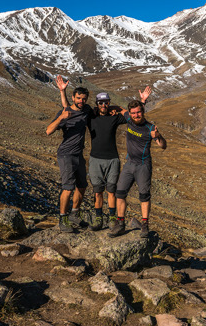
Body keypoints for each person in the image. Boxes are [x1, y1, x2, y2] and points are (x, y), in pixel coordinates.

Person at [55, 76, 151, 231]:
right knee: (98, 192)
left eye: (106, 102)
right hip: (95, 160)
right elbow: (70, 110)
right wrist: (63, 92)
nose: (104, 105)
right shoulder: (90, 115)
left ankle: (112, 218)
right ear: (96, 104)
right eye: (100, 102)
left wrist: (142, 102)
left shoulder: (115, 116)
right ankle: (98, 217)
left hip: (113, 159)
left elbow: (134, 118)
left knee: (111, 191)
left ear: (109, 102)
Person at [109, 99, 166, 239]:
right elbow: (120, 108)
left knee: (144, 196)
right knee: (120, 193)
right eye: (133, 113)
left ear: (143, 112)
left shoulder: (150, 128)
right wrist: (109, 107)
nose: (136, 115)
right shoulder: (128, 119)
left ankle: (145, 225)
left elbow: (163, 146)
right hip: (129, 164)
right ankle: (120, 224)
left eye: (138, 112)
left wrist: (158, 136)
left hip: (143, 165)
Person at [45, 84, 93, 233]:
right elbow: (48, 131)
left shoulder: (86, 110)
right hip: (66, 154)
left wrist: (62, 91)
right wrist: (61, 118)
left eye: (84, 99)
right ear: (73, 98)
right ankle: (63, 218)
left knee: (82, 186)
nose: (81, 101)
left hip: (78, 154)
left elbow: (70, 107)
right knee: (68, 187)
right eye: (78, 98)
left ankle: (74, 214)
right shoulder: (64, 114)